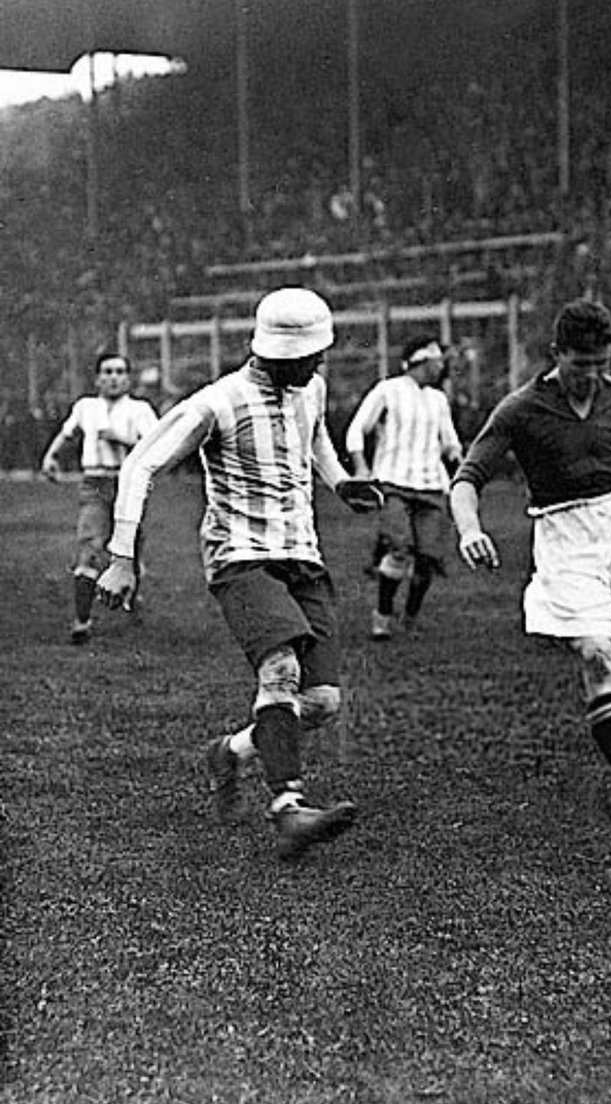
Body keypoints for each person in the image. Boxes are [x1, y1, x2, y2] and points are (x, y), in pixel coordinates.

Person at [96, 288, 384, 858]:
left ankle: (229, 752)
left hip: (303, 553)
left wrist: (340, 482)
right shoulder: (218, 402)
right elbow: (141, 462)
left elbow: (316, 436)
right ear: (281, 352)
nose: (319, 363)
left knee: (322, 701)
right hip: (240, 557)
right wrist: (122, 557)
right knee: (279, 670)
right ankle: (289, 808)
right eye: (311, 354)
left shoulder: (311, 388)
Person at [450, 298, 611, 820]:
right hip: (564, 534)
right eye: (578, 364)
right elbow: (466, 480)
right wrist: (470, 529)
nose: (590, 376)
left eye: (600, 364)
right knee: (595, 653)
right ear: (555, 354)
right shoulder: (520, 408)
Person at [345, 336, 463, 640]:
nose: (441, 367)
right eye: (438, 361)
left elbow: (450, 442)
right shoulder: (388, 390)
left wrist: (460, 462)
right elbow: (358, 428)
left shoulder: (437, 399)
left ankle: (410, 615)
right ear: (421, 361)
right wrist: (361, 467)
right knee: (399, 548)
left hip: (432, 487)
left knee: (428, 558)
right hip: (393, 483)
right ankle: (382, 616)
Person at [41, 352, 158, 644]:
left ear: (128, 378)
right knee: (90, 545)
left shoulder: (140, 410)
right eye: (107, 372)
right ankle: (81, 620)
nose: (113, 377)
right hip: (94, 482)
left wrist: (119, 438)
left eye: (119, 372)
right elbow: (68, 433)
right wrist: (51, 456)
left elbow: (156, 447)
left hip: (129, 483)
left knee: (129, 546)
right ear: (97, 378)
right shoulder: (86, 407)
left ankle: (132, 594)